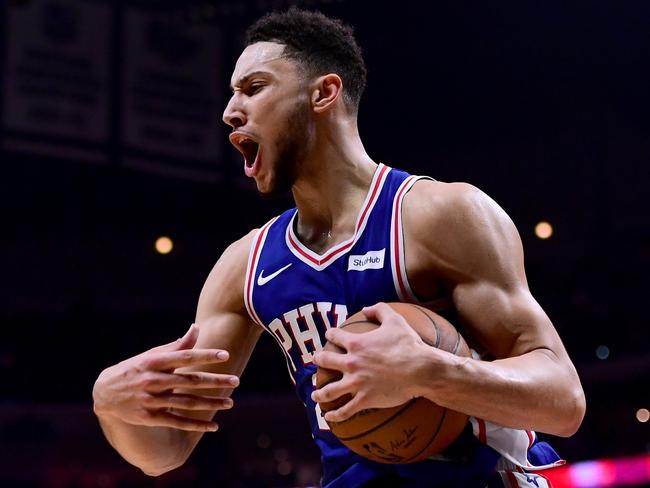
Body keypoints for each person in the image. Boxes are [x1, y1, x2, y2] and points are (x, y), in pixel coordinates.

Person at [92, 8, 585, 487]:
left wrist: (428, 372)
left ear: (324, 92)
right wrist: (110, 406)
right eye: (231, 94)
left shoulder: (441, 214)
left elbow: (562, 401)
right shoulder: (245, 265)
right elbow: (164, 452)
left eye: (254, 88)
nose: (229, 112)